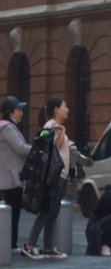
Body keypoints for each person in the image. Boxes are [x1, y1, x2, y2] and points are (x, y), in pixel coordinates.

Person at [22, 98, 70, 260]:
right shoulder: (51, 126)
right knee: (47, 211)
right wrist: (62, 131)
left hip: (60, 176)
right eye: (64, 107)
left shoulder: (53, 126)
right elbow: (54, 148)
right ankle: (29, 245)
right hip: (54, 176)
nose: (67, 109)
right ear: (56, 109)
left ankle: (48, 248)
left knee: (53, 213)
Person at [0, 96, 31, 253]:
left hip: (4, 177)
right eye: (18, 110)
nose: (21, 113)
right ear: (9, 112)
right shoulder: (8, 128)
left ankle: (8, 244)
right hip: (11, 178)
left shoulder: (3, 127)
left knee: (7, 213)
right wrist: (36, 149)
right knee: (13, 213)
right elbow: (20, 148)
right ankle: (11, 245)